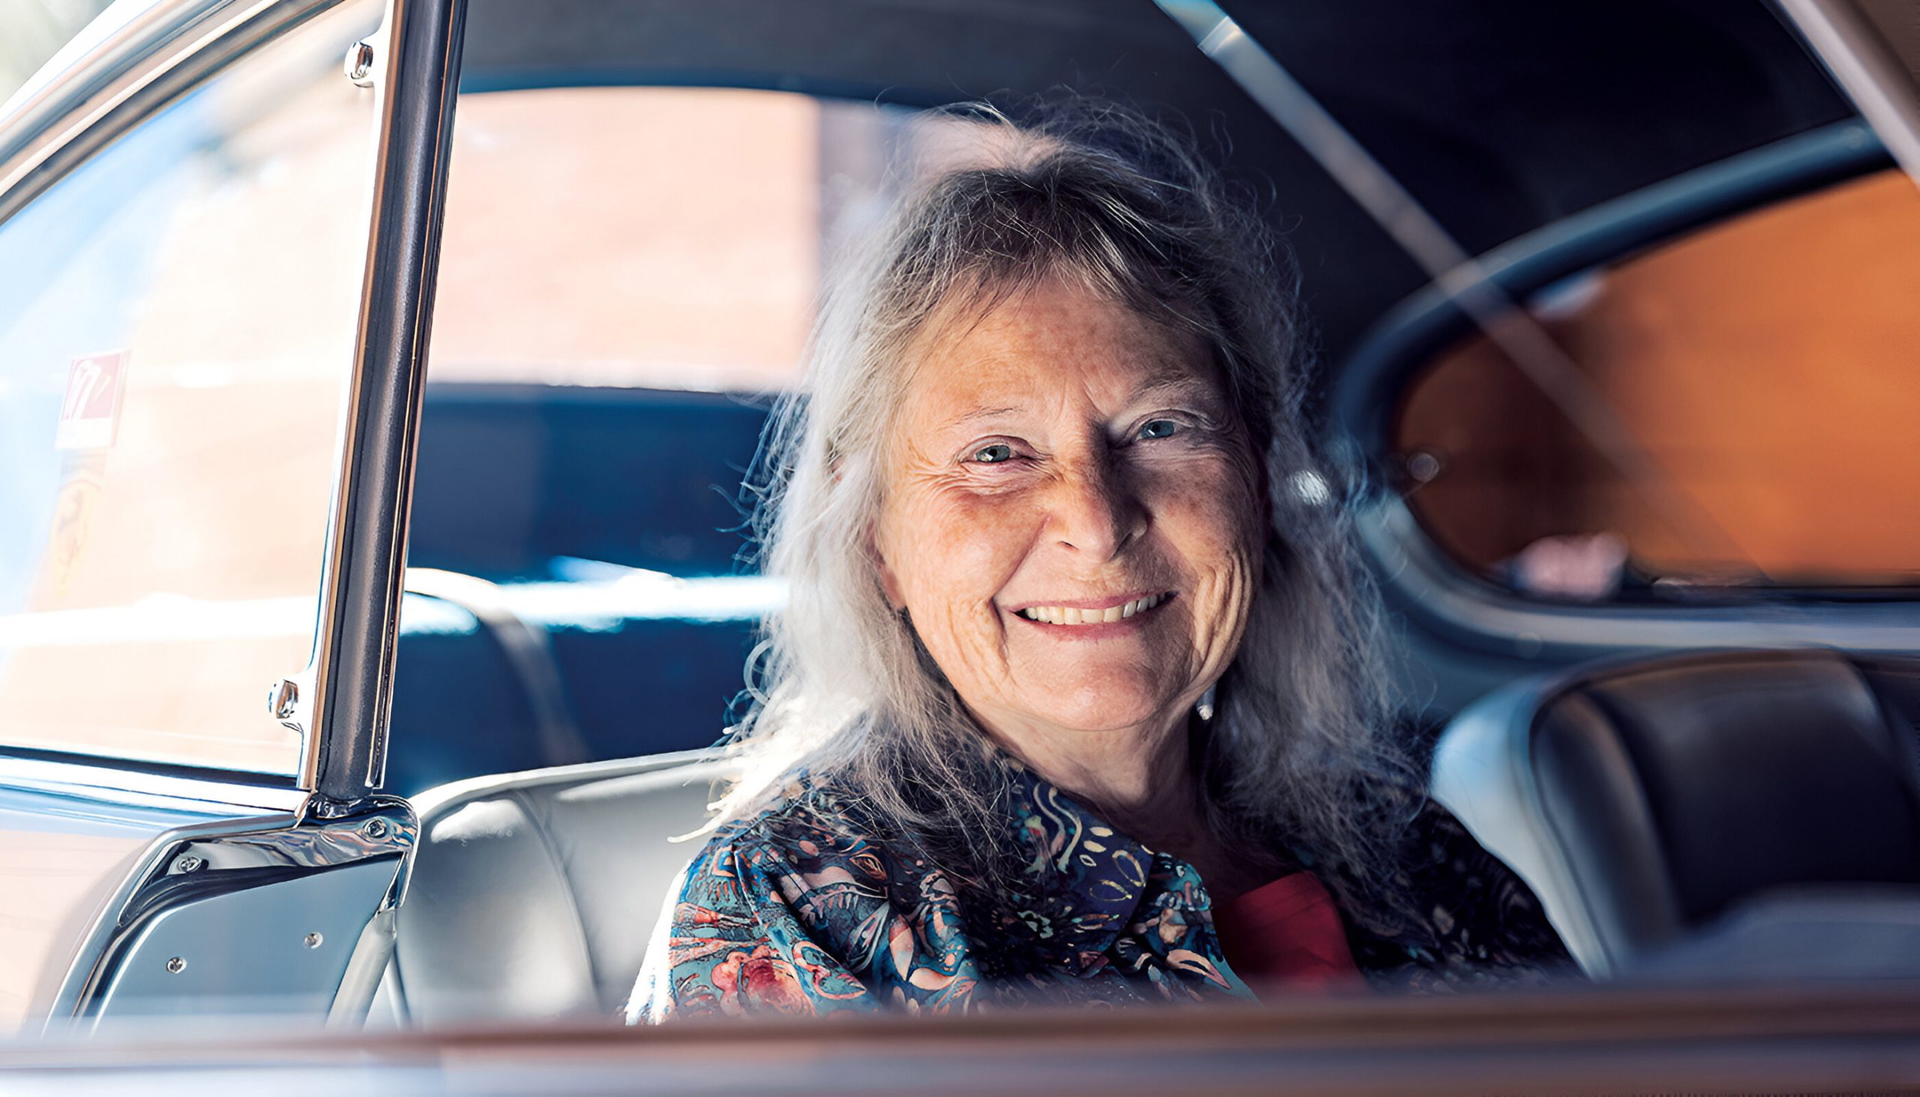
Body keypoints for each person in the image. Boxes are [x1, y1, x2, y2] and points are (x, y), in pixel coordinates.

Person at [628, 102, 1574, 1021]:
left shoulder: (1403, 844)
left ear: (1255, 480)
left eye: (1160, 429)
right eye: (997, 453)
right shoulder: (801, 911)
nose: (1095, 518)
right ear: (878, 540)